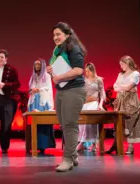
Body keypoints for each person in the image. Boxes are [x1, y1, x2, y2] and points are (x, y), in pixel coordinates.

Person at [47, 22, 87, 172]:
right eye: (54, 35)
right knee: (64, 125)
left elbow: (78, 70)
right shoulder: (57, 50)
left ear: (67, 35)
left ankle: (68, 159)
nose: (55, 37)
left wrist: (59, 77)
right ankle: (73, 154)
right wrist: (52, 71)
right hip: (62, 90)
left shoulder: (73, 48)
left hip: (74, 89)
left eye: (58, 34)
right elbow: (60, 69)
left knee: (70, 124)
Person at [105, 55, 140, 155]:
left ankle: (130, 146)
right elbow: (115, 87)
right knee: (119, 123)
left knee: (130, 123)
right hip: (121, 100)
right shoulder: (120, 74)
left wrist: (122, 86)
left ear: (127, 63)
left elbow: (129, 87)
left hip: (131, 100)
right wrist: (124, 87)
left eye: (122, 64)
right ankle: (115, 145)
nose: (121, 66)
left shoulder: (135, 73)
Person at [27, 58, 56, 154]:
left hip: (43, 102)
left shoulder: (46, 76)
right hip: (35, 101)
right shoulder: (33, 77)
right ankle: (35, 145)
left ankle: (43, 146)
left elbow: (48, 88)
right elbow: (30, 87)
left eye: (39, 64)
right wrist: (33, 90)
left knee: (43, 124)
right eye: (35, 64)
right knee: (35, 124)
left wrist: (39, 90)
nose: (37, 66)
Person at [77, 63, 106, 152]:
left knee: (90, 124)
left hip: (94, 103)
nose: (87, 73)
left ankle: (84, 143)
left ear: (92, 71)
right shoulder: (84, 80)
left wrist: (100, 105)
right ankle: (86, 143)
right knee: (82, 124)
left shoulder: (98, 80)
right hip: (84, 103)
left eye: (88, 71)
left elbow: (102, 94)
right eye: (85, 71)